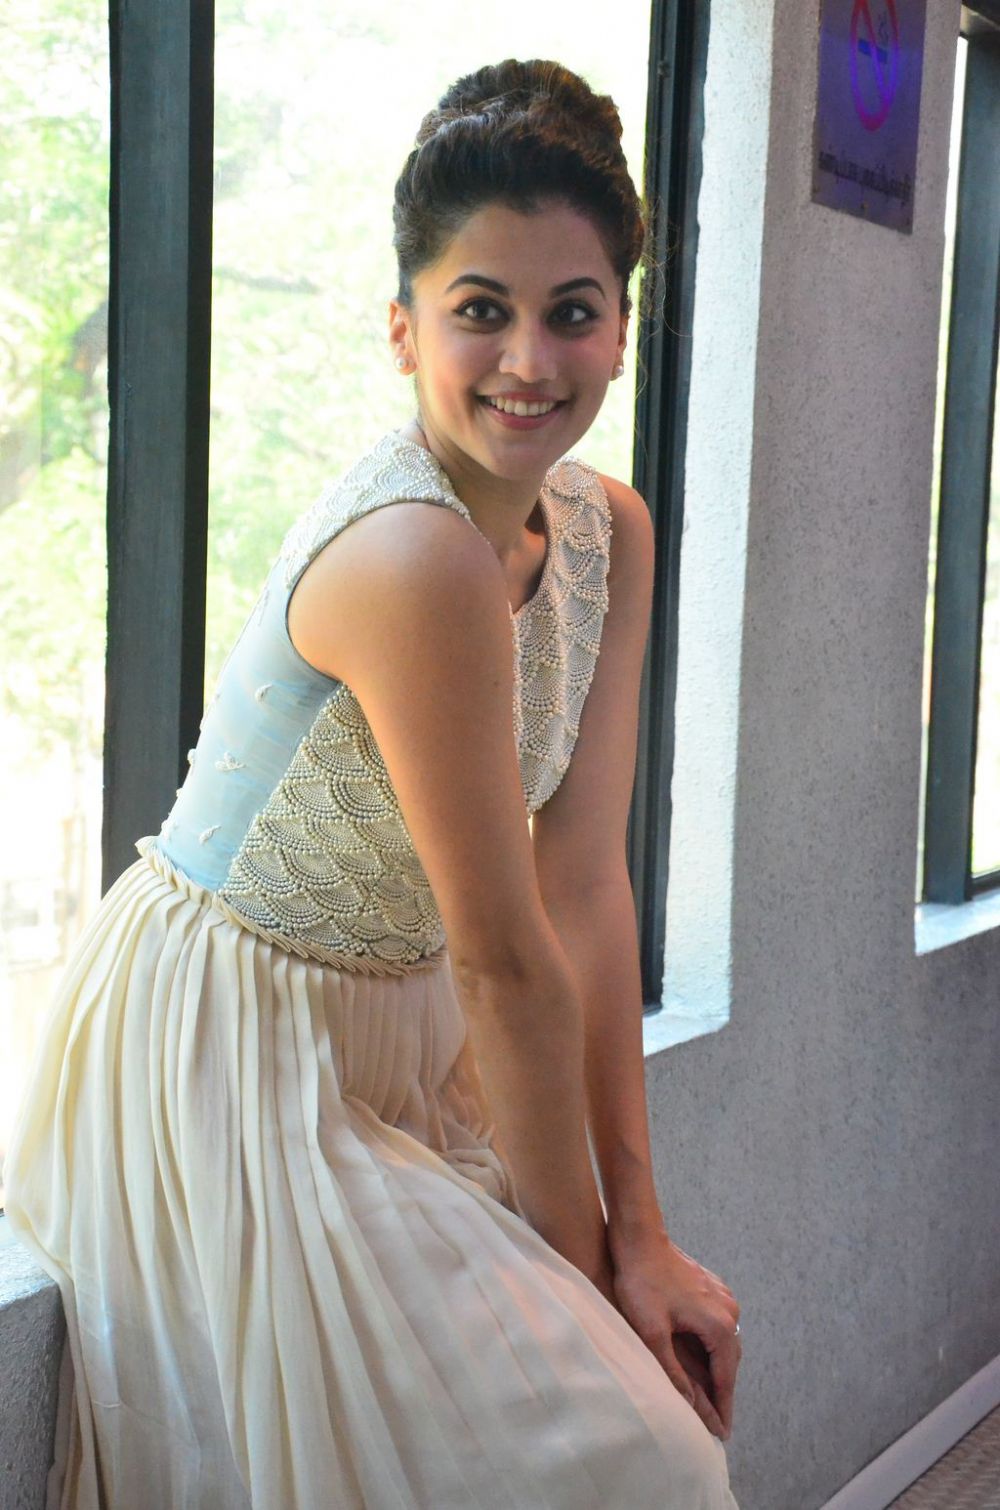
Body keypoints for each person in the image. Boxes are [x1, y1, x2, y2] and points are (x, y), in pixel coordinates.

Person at [4, 57, 742, 1509]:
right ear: (404, 328)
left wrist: (642, 1232)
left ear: (622, 329)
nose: (528, 358)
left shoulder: (612, 531)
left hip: (410, 1038)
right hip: (235, 1048)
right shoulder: (411, 553)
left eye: (571, 311)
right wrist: (592, 1284)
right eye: (481, 310)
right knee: (633, 1459)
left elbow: (584, 888)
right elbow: (505, 957)